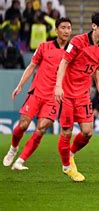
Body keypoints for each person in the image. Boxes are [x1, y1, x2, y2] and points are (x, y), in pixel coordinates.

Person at [3, 18, 72, 170]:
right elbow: (32, 66)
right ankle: (13, 148)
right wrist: (20, 86)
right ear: (56, 31)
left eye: (69, 28)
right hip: (37, 93)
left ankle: (20, 161)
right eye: (63, 27)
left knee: (41, 129)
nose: (67, 31)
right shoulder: (44, 46)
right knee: (22, 125)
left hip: (54, 98)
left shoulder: (73, 51)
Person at [54, 10, 99, 182]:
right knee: (67, 130)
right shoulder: (78, 41)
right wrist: (58, 86)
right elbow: (64, 62)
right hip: (66, 93)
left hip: (83, 94)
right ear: (94, 26)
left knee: (88, 132)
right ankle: (67, 167)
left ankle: (70, 154)